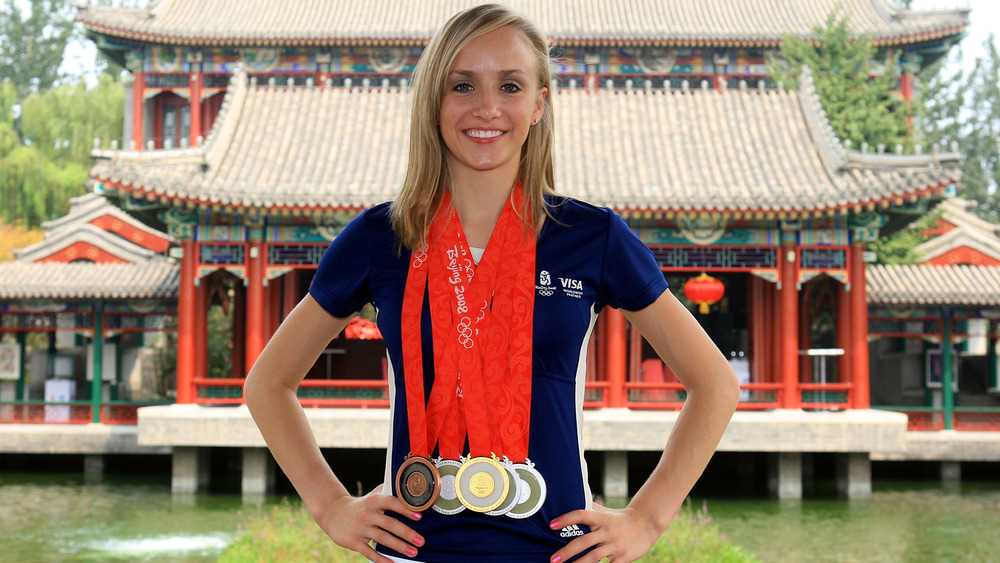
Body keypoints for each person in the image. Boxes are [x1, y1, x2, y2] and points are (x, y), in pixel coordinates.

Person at [243, 4, 740, 563]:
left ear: (538, 104)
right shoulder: (381, 237)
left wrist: (647, 519)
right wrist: (331, 506)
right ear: (435, 101)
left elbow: (715, 385)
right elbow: (268, 385)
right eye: (462, 85)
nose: (487, 108)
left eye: (510, 86)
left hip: (557, 552)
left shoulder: (592, 236)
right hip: (414, 552)